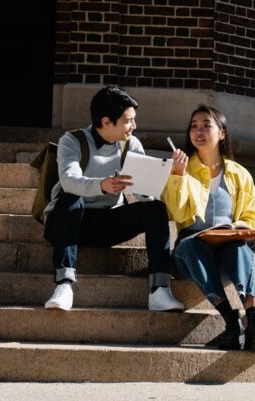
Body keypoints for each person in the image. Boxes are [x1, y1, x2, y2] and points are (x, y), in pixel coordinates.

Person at [43, 85, 184, 312]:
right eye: (128, 121)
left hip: (107, 224)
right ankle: (64, 284)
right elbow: (69, 180)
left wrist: (170, 175)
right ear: (106, 121)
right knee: (71, 198)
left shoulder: (131, 145)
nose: (134, 126)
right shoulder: (72, 141)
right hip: (67, 223)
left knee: (155, 209)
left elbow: (144, 194)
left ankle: (160, 290)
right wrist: (101, 185)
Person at [161, 105, 255, 352]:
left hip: (225, 253)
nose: (198, 131)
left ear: (222, 133)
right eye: (194, 126)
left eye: (206, 125)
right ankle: (232, 322)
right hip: (189, 258)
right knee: (191, 244)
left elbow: (250, 217)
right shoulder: (183, 169)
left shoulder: (239, 174)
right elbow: (177, 214)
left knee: (238, 245)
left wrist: (237, 228)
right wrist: (178, 176)